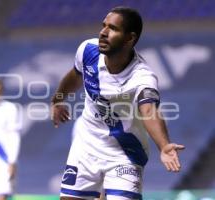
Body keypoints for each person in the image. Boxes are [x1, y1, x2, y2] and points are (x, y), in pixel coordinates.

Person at [51, 6, 185, 200]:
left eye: (112, 29)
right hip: (86, 146)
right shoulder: (88, 50)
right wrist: (58, 99)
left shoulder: (142, 77)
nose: (103, 33)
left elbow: (148, 110)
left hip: (125, 153)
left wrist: (164, 146)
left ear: (130, 38)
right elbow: (75, 76)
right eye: (103, 26)